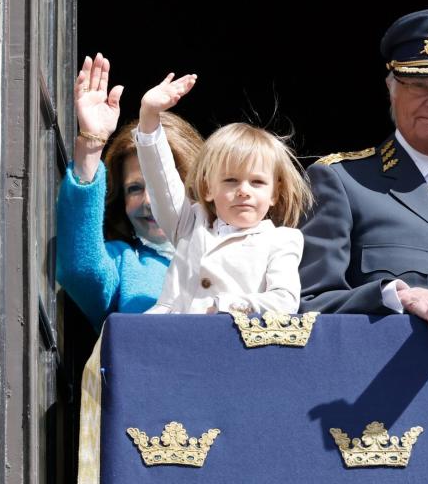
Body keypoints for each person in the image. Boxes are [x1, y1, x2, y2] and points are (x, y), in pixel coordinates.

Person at [299, 8, 428, 356]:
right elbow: (306, 305)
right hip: (381, 397)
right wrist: (397, 295)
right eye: (420, 84)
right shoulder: (343, 181)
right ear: (392, 89)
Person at [133, 73, 312, 314]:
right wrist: (149, 116)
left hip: (233, 343)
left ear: (274, 193)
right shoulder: (188, 224)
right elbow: (160, 180)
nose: (243, 191)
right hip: (169, 338)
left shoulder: (281, 240)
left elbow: (285, 301)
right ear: (207, 188)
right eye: (231, 180)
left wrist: (226, 305)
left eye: (257, 182)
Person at [56, 53, 203, 331]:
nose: (149, 201)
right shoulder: (124, 261)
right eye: (134, 188)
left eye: (164, 185)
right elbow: (80, 270)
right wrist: (91, 143)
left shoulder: (243, 243)